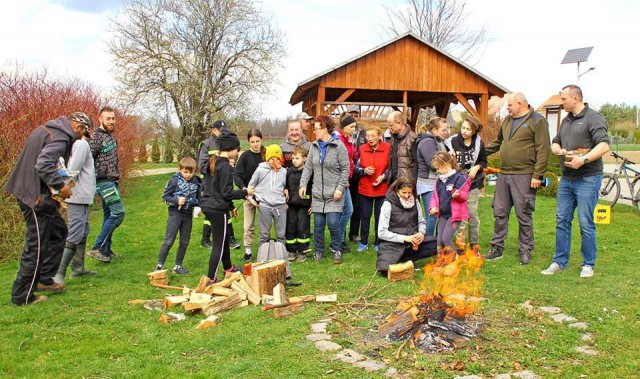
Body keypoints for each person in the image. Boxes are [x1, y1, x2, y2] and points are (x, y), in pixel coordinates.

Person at [5, 112, 93, 305]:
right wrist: (62, 188)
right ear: (78, 127)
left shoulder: (50, 130)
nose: (81, 137)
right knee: (36, 245)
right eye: (84, 133)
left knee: (59, 232)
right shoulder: (60, 138)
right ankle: (22, 296)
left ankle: (45, 278)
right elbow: (43, 165)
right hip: (34, 198)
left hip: (37, 193)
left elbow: (44, 163)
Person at [542, 85, 610, 278]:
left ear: (575, 98)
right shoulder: (566, 121)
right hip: (567, 179)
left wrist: (584, 159)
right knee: (562, 220)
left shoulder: (593, 118)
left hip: (588, 178)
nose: (561, 102)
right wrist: (557, 149)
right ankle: (559, 261)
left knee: (585, 222)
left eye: (563, 99)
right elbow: (555, 141)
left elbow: (604, 145)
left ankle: (588, 264)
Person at [484, 93, 550, 264]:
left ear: (521, 104)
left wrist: (537, 175)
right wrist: (479, 154)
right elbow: (498, 142)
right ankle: (496, 247)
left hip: (525, 174)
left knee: (524, 214)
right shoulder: (507, 121)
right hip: (504, 173)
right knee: (500, 212)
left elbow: (543, 150)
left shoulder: (537, 120)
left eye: (510, 105)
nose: (508, 108)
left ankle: (525, 249)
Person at [200, 130, 254, 283]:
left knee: (223, 240)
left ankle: (228, 268)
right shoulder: (225, 167)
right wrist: (245, 192)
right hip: (217, 210)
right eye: (237, 149)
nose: (237, 152)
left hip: (210, 206)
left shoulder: (214, 162)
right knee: (219, 244)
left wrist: (230, 207)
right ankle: (211, 278)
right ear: (231, 149)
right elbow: (226, 193)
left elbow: (217, 190)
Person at [299, 115, 350, 264]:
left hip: (334, 194)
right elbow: (308, 168)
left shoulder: (338, 146)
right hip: (317, 194)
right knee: (318, 225)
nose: (314, 132)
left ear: (326, 128)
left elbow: (345, 169)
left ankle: (336, 249)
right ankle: (319, 251)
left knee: (333, 223)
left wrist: (340, 188)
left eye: (317, 129)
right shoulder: (314, 146)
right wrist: (303, 185)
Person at [53, 124, 98, 285]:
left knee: (83, 230)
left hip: (83, 197)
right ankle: (59, 273)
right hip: (76, 196)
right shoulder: (81, 144)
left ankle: (78, 269)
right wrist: (60, 189)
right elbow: (72, 170)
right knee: (75, 233)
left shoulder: (79, 144)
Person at [377, 178, 437, 277]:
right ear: (397, 190)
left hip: (412, 243)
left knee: (438, 243)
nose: (407, 195)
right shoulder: (387, 204)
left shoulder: (415, 201)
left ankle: (406, 260)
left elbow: (421, 221)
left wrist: (421, 233)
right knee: (384, 270)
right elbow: (381, 233)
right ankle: (404, 262)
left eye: (410, 193)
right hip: (392, 244)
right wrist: (405, 238)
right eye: (403, 192)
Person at [87, 107, 125, 263]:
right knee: (119, 213)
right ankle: (96, 248)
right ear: (100, 119)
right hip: (103, 182)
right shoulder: (95, 137)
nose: (111, 121)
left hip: (112, 181)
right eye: (108, 118)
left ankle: (106, 250)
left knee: (109, 215)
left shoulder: (111, 137)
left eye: (113, 118)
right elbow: (88, 159)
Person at [444, 116, 487, 249]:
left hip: (474, 183)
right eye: (463, 128)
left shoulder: (479, 143)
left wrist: (477, 167)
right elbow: (441, 159)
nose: (464, 131)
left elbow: (484, 161)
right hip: (458, 184)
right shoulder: (451, 142)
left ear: (474, 131)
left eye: (468, 129)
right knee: (459, 215)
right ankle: (460, 244)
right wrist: (448, 156)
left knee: (472, 214)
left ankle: (474, 243)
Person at [155, 157, 201, 275]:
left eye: (191, 172)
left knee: (185, 241)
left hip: (187, 215)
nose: (188, 175)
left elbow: (198, 199)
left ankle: (178, 266)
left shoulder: (197, 181)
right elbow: (165, 197)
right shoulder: (174, 181)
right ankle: (159, 266)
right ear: (180, 170)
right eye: (185, 172)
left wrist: (199, 208)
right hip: (175, 214)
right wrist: (176, 200)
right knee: (169, 240)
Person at [355, 125, 390, 252]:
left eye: (373, 136)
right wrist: (364, 170)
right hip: (365, 188)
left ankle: (378, 241)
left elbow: (391, 168)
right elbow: (356, 168)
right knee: (365, 216)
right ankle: (363, 242)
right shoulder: (362, 149)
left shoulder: (387, 148)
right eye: (367, 136)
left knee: (379, 216)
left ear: (379, 136)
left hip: (382, 188)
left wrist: (383, 176)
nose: (369, 139)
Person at [428, 152, 471, 250]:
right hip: (443, 214)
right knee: (439, 240)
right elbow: (435, 197)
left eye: (438, 168)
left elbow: (464, 195)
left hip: (455, 215)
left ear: (446, 165)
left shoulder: (459, 178)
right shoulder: (439, 180)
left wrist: (458, 195)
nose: (437, 171)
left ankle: (453, 260)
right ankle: (442, 261)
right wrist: (433, 207)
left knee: (446, 239)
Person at [234, 129, 265, 262]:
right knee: (248, 225)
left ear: (261, 140)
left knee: (265, 224)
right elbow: (237, 175)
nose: (255, 144)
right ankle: (248, 251)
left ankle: (265, 249)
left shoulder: (266, 153)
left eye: (257, 141)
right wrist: (245, 191)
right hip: (249, 194)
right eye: (252, 142)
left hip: (265, 195)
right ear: (248, 142)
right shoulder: (245, 156)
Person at [248, 144, 287, 250]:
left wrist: (285, 197)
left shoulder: (283, 172)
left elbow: (285, 186)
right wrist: (251, 198)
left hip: (280, 206)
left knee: (281, 233)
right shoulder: (260, 170)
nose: (274, 161)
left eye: (277, 159)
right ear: (267, 158)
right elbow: (251, 185)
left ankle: (282, 255)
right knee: (264, 234)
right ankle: (263, 255)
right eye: (271, 159)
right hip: (265, 205)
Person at [415, 117, 449, 236]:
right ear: (434, 129)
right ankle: (428, 242)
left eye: (447, 129)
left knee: (437, 213)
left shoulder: (438, 141)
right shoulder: (428, 142)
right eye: (443, 130)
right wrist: (450, 160)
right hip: (427, 184)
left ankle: (436, 240)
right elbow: (433, 164)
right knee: (432, 215)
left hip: (436, 182)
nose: (446, 132)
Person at [284, 146, 312, 262]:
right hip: (291, 205)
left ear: (305, 158)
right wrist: (285, 188)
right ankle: (291, 250)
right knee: (291, 226)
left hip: (304, 205)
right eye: (293, 158)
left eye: (297, 158)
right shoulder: (289, 171)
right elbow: (283, 183)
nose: (294, 160)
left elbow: (313, 187)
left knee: (302, 226)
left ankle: (302, 251)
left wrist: (313, 204)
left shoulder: (309, 172)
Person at [335, 115, 357, 254]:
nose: (353, 130)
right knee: (347, 210)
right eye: (351, 127)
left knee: (346, 211)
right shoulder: (338, 140)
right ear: (343, 127)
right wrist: (344, 180)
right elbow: (338, 162)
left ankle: (339, 238)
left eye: (354, 127)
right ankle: (338, 240)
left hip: (346, 179)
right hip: (341, 181)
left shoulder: (348, 140)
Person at [346, 105, 366, 244]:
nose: (355, 117)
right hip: (346, 173)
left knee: (357, 205)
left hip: (358, 173)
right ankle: (341, 234)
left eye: (356, 114)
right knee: (344, 206)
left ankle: (354, 233)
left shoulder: (363, 132)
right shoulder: (341, 134)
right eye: (352, 114)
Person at [383, 111, 417, 183]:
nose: (389, 128)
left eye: (391, 125)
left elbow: (416, 163)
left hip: (406, 183)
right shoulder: (394, 137)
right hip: (394, 179)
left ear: (399, 123)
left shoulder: (413, 138)